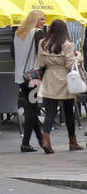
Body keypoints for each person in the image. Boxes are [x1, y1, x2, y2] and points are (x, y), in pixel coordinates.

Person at [36, 20, 83, 153]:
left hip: (49, 77)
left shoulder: (43, 43)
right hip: (65, 79)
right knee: (68, 111)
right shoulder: (68, 44)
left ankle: (46, 140)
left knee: (50, 112)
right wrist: (79, 57)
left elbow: (40, 63)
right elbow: (69, 64)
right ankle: (72, 142)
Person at [13, 11, 49, 152]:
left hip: (20, 76)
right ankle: (26, 142)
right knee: (32, 107)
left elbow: (12, 53)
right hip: (33, 76)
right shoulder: (38, 33)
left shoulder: (17, 33)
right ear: (34, 20)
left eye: (44, 19)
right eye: (41, 19)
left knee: (31, 106)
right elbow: (41, 54)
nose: (43, 22)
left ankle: (39, 139)